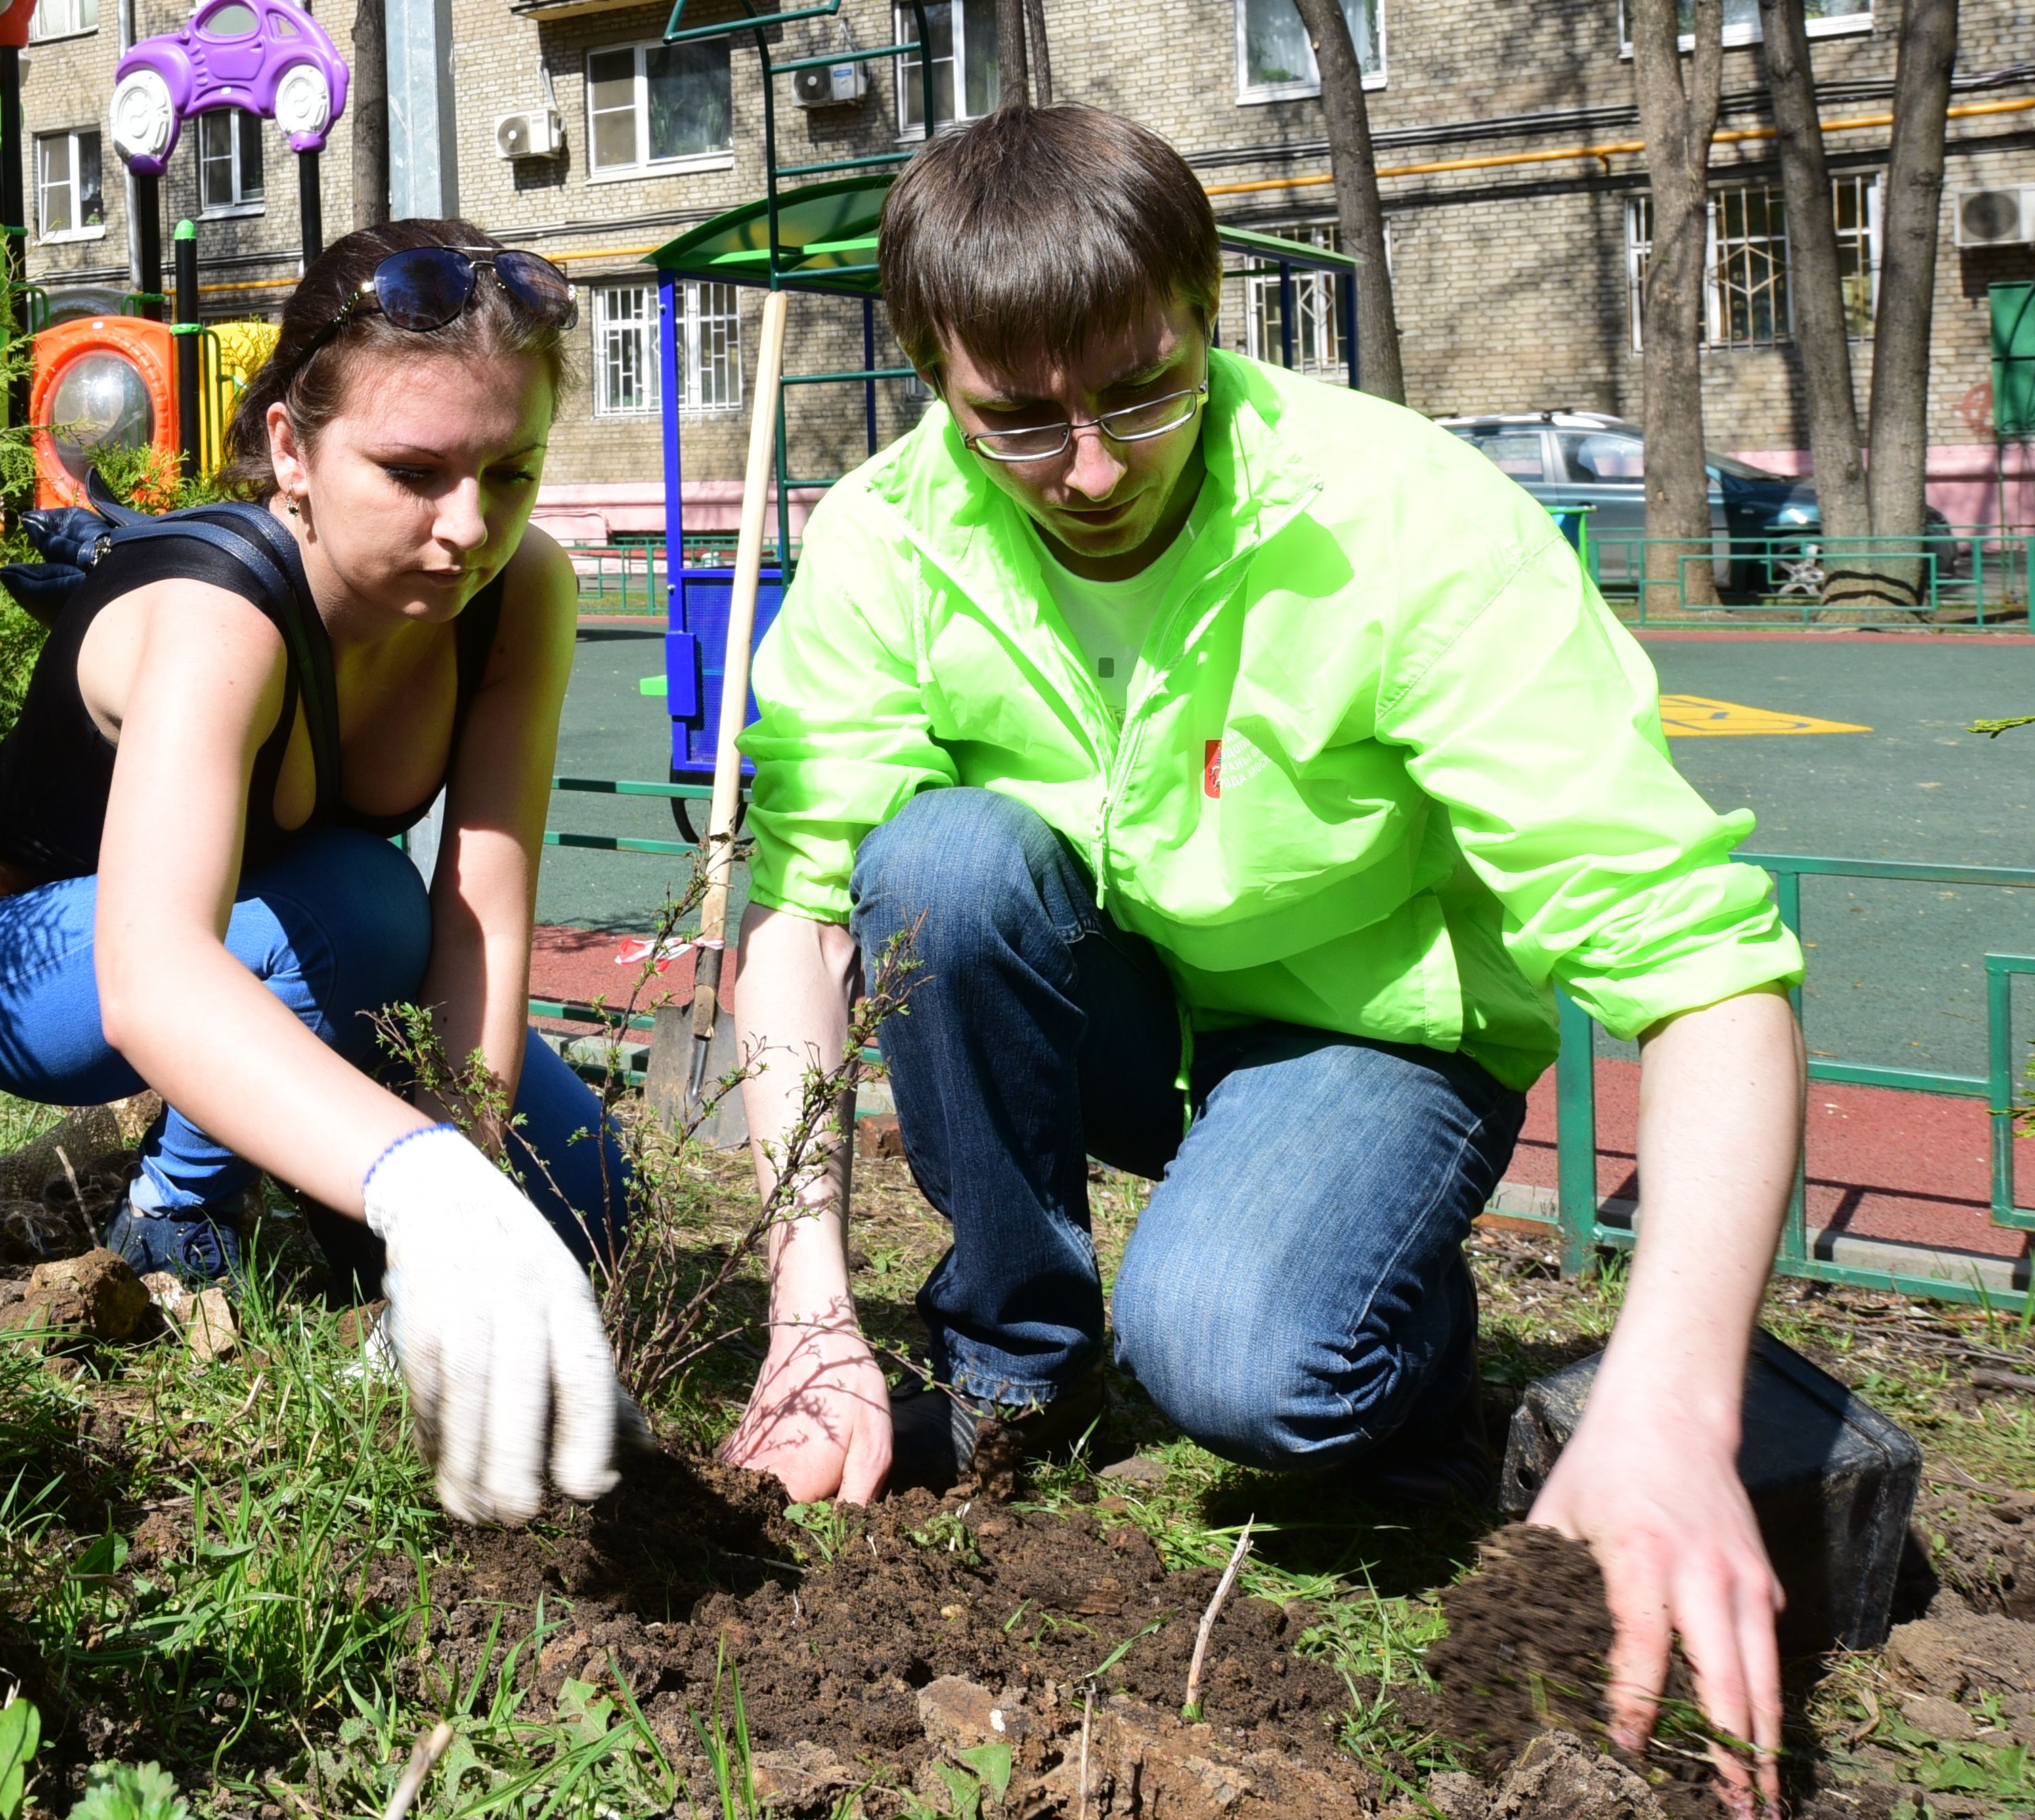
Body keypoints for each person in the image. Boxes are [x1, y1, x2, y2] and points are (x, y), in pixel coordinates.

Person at [720, 108, 1806, 1804]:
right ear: (932, 370)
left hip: (1358, 1026)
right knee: (934, 856)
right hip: (1120, 997)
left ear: (1208, 306)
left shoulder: (1402, 521)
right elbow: (791, 911)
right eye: (1016, 420)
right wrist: (807, 1315)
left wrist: (1671, 1399)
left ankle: (1390, 1329)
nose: (1090, 466)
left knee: (1240, 1357)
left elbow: (1699, 962)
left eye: (1139, 391)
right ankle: (1018, 1370)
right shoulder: (888, 533)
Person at [0, 217, 628, 1525]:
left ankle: (350, 1240)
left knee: (588, 1199)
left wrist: (467, 1164)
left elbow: (476, 912)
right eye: (413, 470)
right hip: (28, 957)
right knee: (358, 903)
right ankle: (176, 1219)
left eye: (511, 473)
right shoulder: (215, 607)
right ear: (292, 450)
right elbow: (151, 974)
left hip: (288, 941)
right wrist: (416, 1185)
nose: (468, 527)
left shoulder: (519, 591)